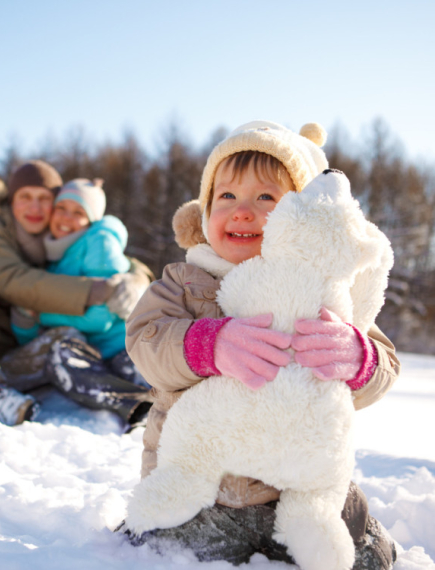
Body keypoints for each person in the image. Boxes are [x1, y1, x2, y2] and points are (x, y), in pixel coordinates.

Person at [120, 122, 399, 568]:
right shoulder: (186, 281)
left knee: (371, 551)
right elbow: (145, 341)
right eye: (225, 197)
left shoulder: (328, 288)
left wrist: (354, 357)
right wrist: (208, 345)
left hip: (295, 483)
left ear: (301, 214)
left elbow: (384, 363)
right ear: (202, 212)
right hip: (208, 488)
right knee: (167, 550)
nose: (242, 211)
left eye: (266, 198)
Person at [0, 160, 154, 427]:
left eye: (44, 199)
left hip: (6, 354)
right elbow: (16, 282)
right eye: (25, 197)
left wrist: (135, 278)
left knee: (66, 338)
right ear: (10, 199)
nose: (35, 207)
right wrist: (96, 290)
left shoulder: (55, 238)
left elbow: (110, 255)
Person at [11, 177, 148, 385]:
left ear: (91, 221)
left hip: (125, 346)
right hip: (94, 353)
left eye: (78, 213)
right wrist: (24, 317)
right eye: (62, 208)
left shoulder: (99, 242)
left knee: (146, 386)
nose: (66, 218)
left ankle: (146, 410)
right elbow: (35, 338)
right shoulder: (55, 256)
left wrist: (42, 314)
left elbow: (102, 316)